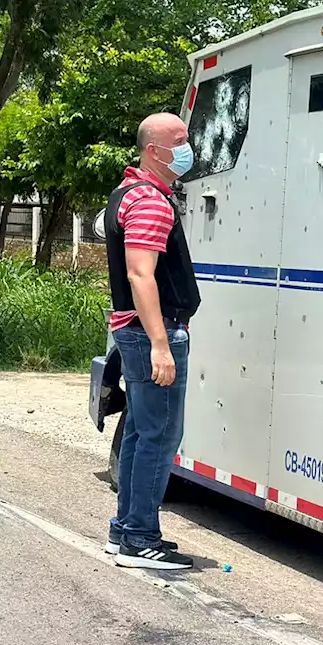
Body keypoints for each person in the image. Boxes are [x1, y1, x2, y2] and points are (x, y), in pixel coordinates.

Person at [104, 112, 202, 570]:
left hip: (136, 331)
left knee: (143, 432)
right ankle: (139, 538)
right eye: (178, 140)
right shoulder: (150, 202)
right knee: (161, 435)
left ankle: (125, 527)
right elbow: (141, 274)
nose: (187, 147)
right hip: (150, 332)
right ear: (153, 151)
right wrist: (162, 344)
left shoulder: (129, 193)